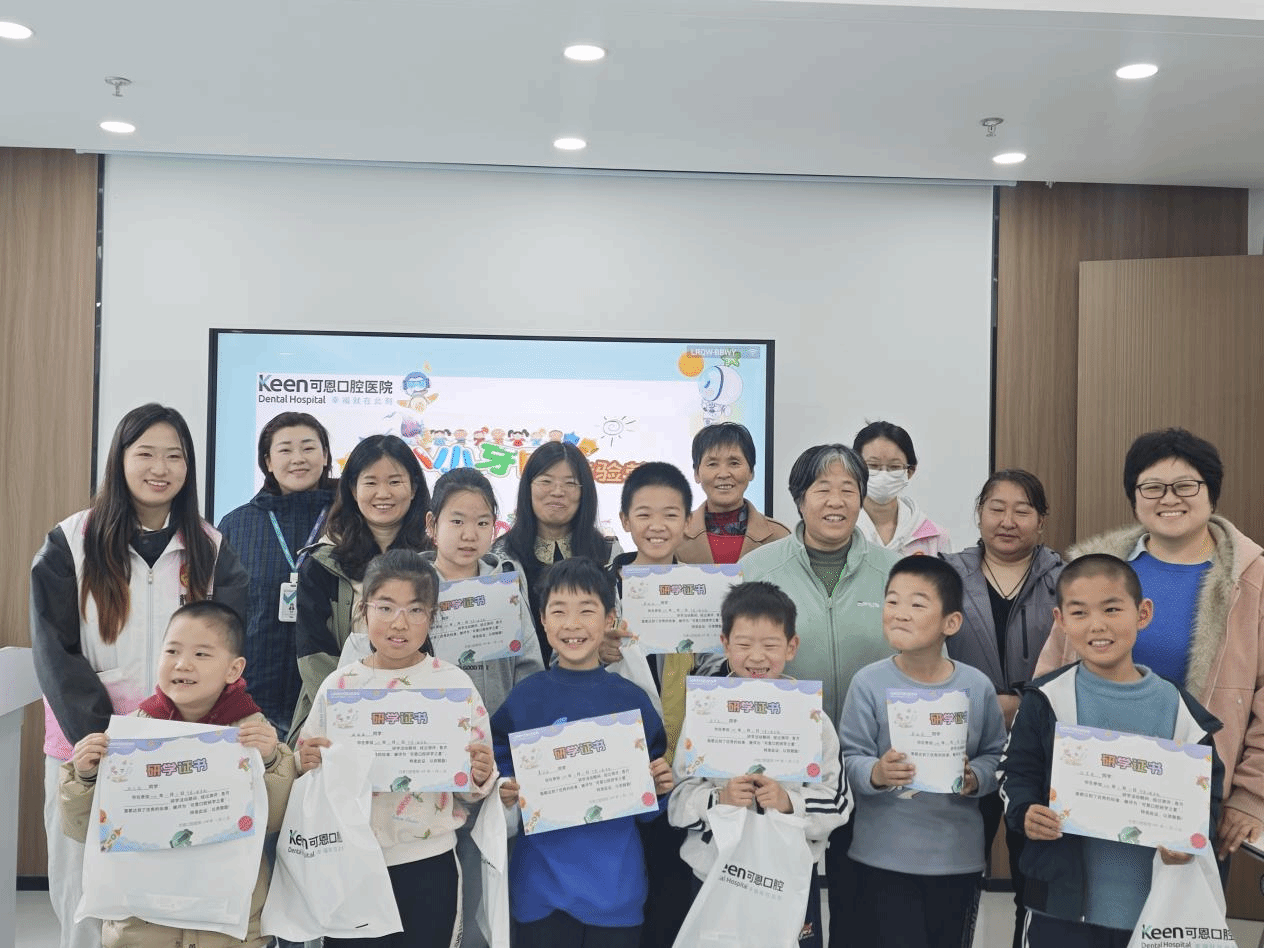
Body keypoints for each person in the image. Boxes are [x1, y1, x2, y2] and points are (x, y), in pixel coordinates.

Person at [30, 402, 248, 948]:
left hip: (183, 748)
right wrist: (103, 737)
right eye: (145, 453)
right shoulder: (71, 541)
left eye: (174, 456)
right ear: (119, 460)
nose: (160, 468)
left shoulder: (212, 548)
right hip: (88, 748)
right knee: (84, 892)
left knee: (169, 899)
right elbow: (55, 651)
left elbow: (227, 649)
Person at [1037, 428, 1264, 864]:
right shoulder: (1097, 571)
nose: (1169, 499)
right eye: (1152, 487)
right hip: (1092, 787)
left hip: (1192, 797)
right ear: (1134, 496)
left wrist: (1251, 794)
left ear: (1211, 493)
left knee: (1176, 905)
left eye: (1185, 486)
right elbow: (1051, 674)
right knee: (1091, 902)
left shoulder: (1250, 581)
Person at [1003, 554, 1224, 947]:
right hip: (1060, 906)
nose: (1097, 625)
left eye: (1111, 609)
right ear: (1061, 621)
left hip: (1154, 911)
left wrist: (1192, 839)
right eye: (1079, 612)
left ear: (1143, 613)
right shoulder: (1046, 699)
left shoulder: (1182, 712)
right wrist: (1025, 812)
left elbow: (1208, 797)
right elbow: (1015, 773)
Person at [59, 601, 297, 948]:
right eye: (172, 651)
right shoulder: (129, 736)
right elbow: (81, 828)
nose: (183, 663)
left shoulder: (252, 734)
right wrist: (85, 777)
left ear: (234, 669)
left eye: (201, 654)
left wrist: (273, 761)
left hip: (226, 928)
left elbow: (275, 821)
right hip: (143, 926)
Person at [740, 442, 898, 945]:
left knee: (863, 902)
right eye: (822, 488)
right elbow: (728, 662)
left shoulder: (894, 572)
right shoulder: (757, 569)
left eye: (848, 489)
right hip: (782, 768)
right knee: (792, 907)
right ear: (799, 499)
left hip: (872, 765)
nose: (836, 500)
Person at [297, 550, 497, 948]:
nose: (399, 623)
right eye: (385, 607)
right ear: (364, 609)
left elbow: (473, 787)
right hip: (350, 860)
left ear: (433, 616)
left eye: (416, 609)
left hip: (428, 861)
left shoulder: (454, 685)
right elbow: (309, 771)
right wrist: (307, 763)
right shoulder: (341, 685)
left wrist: (479, 775)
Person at [491, 558, 674, 948]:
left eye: (586, 611)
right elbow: (499, 769)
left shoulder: (631, 701)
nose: (572, 624)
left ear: (609, 619)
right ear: (542, 620)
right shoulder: (525, 698)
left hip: (616, 891)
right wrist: (504, 788)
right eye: (559, 611)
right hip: (540, 891)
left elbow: (651, 802)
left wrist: (659, 787)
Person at [669, 581, 851, 948]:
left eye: (770, 645)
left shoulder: (812, 718)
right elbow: (678, 802)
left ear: (791, 646)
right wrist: (719, 800)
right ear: (724, 644)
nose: (756, 657)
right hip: (714, 872)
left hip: (788, 876)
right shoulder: (705, 713)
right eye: (743, 644)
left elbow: (839, 802)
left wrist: (788, 802)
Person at [839, 556, 1006, 948]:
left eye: (917, 604)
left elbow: (996, 755)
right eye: (892, 601)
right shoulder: (868, 682)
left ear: (951, 622)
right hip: (883, 856)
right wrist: (876, 773)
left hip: (956, 858)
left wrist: (975, 777)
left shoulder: (976, 686)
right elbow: (849, 757)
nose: (900, 613)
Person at [422, 467, 545, 948]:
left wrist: (512, 753)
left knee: (486, 887)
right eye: (457, 521)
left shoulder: (505, 584)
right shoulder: (412, 586)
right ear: (432, 525)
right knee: (432, 886)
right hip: (427, 763)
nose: (469, 534)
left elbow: (529, 670)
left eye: (482, 522)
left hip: (494, 761)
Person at [941, 468, 1063, 945]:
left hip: (1039, 750)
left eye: (1022, 510)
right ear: (979, 513)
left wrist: (1024, 704)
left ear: (1042, 520)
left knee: (1032, 876)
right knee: (957, 875)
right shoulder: (948, 575)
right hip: (963, 745)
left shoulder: (1064, 579)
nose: (1007, 521)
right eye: (996, 508)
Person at [603, 461, 709, 948]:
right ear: (625, 520)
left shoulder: (705, 591)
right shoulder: (600, 588)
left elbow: (720, 672)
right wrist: (595, 653)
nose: (657, 525)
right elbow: (561, 660)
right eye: (644, 514)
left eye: (671, 514)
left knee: (673, 892)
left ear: (688, 521)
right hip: (615, 770)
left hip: (684, 768)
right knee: (622, 893)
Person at [290, 434, 431, 737]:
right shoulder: (323, 562)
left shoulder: (435, 561)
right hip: (340, 717)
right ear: (353, 490)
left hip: (422, 715)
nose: (383, 493)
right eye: (370, 482)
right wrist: (348, 713)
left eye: (395, 481)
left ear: (414, 488)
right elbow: (314, 652)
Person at [217, 411, 336, 740]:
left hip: (328, 698)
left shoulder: (348, 520)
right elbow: (223, 616)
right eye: (285, 450)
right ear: (267, 461)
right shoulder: (237, 524)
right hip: (252, 700)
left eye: (308, 448)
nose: (298, 458)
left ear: (326, 456)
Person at [493, 441, 621, 663]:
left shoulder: (608, 555)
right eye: (546, 481)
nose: (557, 492)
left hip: (590, 677)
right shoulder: (499, 558)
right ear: (528, 488)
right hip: (520, 682)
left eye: (570, 483)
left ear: (584, 492)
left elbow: (621, 627)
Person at [676, 422, 789, 564]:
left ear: (751, 471)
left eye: (734, 463)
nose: (723, 474)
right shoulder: (674, 534)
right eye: (712, 464)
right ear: (696, 473)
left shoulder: (780, 538)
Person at [852, 421, 951, 556]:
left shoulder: (934, 538)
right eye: (873, 465)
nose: (884, 475)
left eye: (894, 467)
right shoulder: (840, 530)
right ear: (855, 468)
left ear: (910, 471)